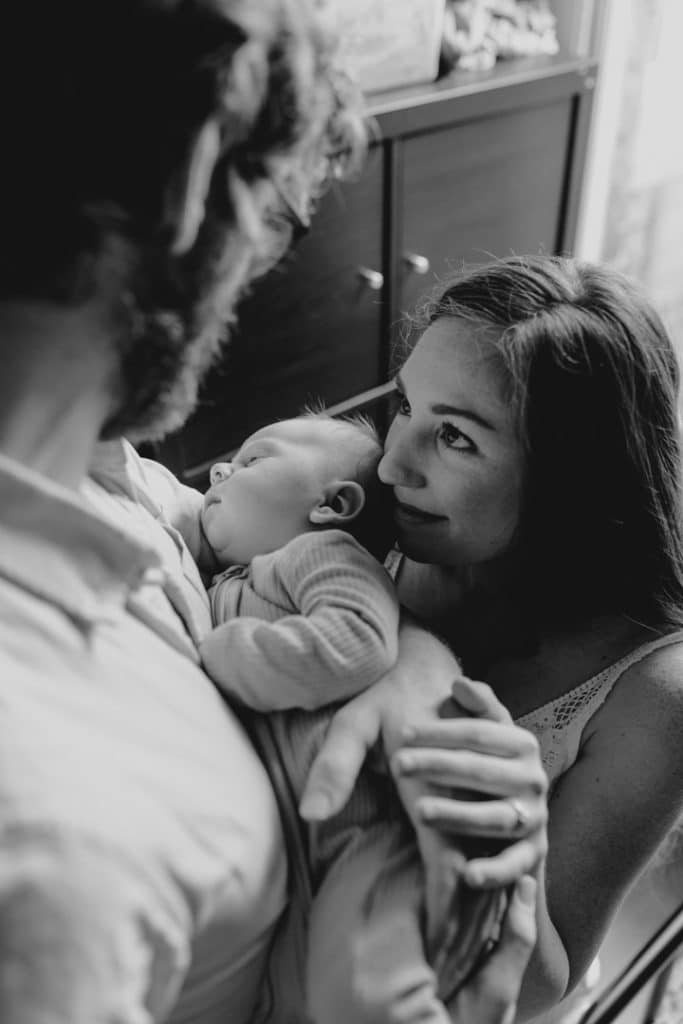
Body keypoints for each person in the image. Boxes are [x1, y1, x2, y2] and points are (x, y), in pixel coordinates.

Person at [0, 3, 547, 1023]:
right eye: (278, 221)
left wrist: (413, 670)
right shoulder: (56, 857)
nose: (249, 279)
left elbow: (292, 563)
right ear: (196, 180)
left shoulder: (107, 473)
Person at [321, 252, 683, 1022]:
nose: (390, 464)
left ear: (571, 480)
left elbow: (543, 983)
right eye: (406, 405)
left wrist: (513, 847)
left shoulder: (652, 694)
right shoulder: (371, 509)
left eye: (455, 437)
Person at [197, 410, 508, 1023]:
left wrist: (225, 654)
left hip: (376, 833)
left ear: (332, 504)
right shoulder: (227, 581)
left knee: (366, 995)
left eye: (254, 460)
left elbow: (357, 641)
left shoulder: (321, 554)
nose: (220, 472)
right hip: (306, 853)